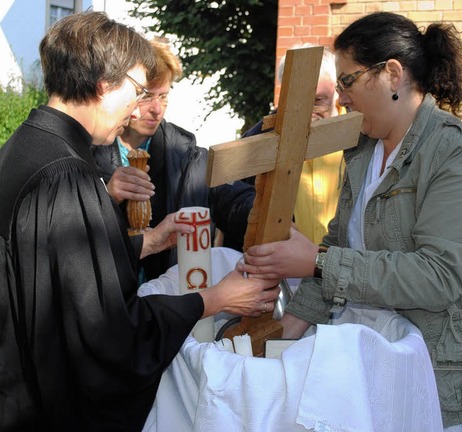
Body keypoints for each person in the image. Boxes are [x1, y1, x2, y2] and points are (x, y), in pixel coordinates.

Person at [238, 11, 462, 431]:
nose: (341, 97)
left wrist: (317, 261)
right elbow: (339, 246)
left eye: (347, 80)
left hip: (459, 376)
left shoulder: (456, 151)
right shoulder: (364, 150)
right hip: (390, 365)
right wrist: (280, 338)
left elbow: (437, 277)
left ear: (392, 74)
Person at [0, 12, 279, 431]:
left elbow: (53, 272)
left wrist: (146, 242)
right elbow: (110, 337)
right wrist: (214, 299)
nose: (137, 105)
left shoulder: (26, 145)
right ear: (103, 85)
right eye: (134, 90)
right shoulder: (67, 173)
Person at [92, 39, 255, 281]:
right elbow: (68, 237)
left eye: (164, 96)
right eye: (146, 97)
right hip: (109, 307)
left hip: (173, 304)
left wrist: (263, 212)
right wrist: (105, 196)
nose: (157, 109)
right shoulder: (88, 151)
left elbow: (234, 200)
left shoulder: (188, 156)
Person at [242, 44, 344, 244]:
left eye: (317, 100)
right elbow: (231, 191)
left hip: (344, 262)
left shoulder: (361, 133)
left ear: (337, 90)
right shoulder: (266, 136)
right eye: (297, 98)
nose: (307, 110)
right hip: (286, 263)